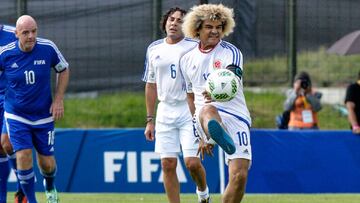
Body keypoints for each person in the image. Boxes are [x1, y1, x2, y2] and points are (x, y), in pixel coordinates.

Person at [180, 4, 252, 203]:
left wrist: (217, 89)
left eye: (219, 27)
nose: (215, 31)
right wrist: (202, 134)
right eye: (209, 27)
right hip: (206, 114)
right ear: (197, 29)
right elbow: (191, 97)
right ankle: (213, 132)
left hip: (235, 114)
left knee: (239, 176)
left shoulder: (231, 52)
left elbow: (233, 74)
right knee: (208, 108)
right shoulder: (186, 59)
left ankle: (215, 133)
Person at [142, 7, 211, 203]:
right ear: (165, 23)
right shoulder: (154, 49)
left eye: (180, 21)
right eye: (171, 19)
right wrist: (150, 120)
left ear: (187, 26)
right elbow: (150, 84)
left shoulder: (194, 46)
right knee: (167, 163)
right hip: (165, 110)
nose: (174, 23)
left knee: (192, 163)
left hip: (189, 108)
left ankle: (203, 193)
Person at [0, 15, 70, 203]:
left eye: (34, 31)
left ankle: (49, 184)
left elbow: (63, 69)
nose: (31, 36)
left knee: (46, 162)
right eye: (25, 32)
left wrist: (58, 100)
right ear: (16, 34)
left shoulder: (48, 48)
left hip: (42, 115)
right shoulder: (5, 53)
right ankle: (31, 200)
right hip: (16, 114)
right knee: (22, 154)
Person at [0, 24, 27, 203]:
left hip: (11, 97)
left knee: (6, 142)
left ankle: (22, 189)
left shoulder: (13, 34)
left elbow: (31, 55)